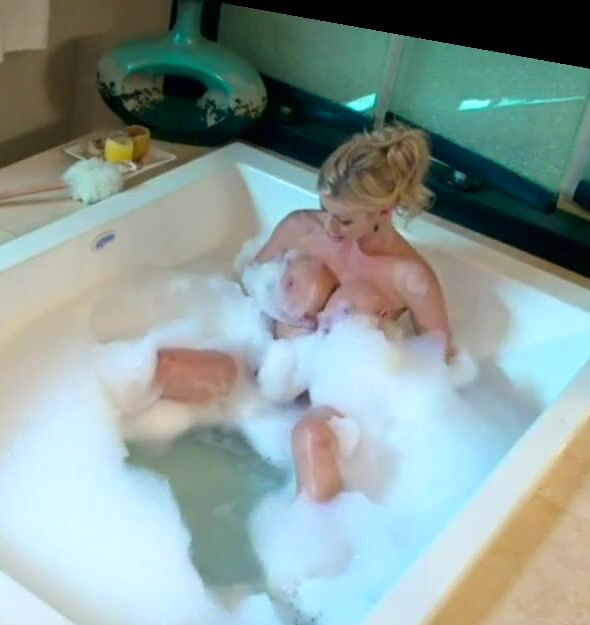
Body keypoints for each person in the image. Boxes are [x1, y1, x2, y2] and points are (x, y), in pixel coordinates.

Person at [151, 123, 454, 502]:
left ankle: (318, 528)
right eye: (325, 209)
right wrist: (280, 304)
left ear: (384, 211)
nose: (330, 226)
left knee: (309, 436)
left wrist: (365, 338)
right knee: (164, 368)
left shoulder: (408, 277)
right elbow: (250, 280)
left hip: (333, 398)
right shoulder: (302, 228)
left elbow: (437, 360)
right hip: (263, 364)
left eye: (345, 220)